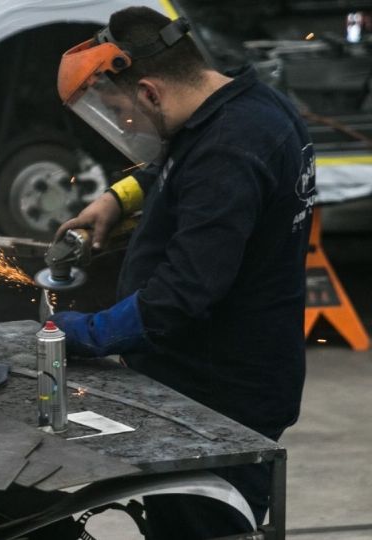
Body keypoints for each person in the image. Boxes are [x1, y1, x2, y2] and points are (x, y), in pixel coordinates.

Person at [51, 7, 315, 539]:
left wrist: (83, 334)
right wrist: (121, 196)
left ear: (150, 91)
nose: (130, 128)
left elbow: (180, 295)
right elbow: (174, 162)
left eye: (127, 114)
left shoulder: (230, 148)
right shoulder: (242, 105)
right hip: (210, 383)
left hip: (221, 400)